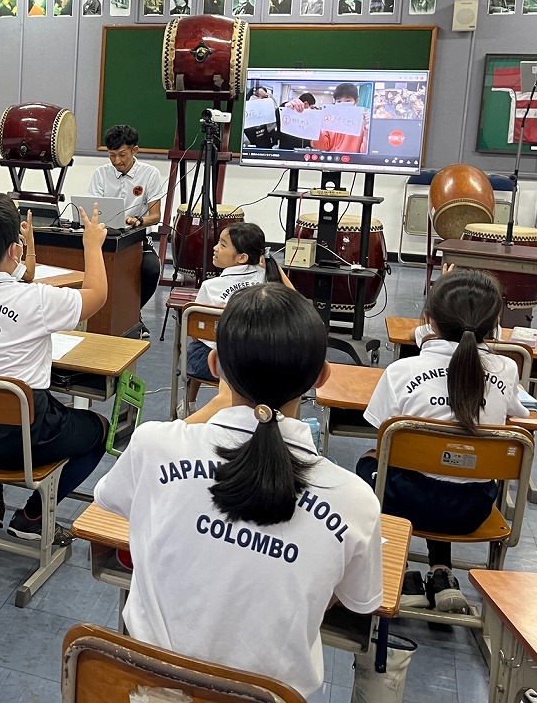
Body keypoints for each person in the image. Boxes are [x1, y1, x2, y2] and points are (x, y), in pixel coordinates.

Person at [93, 284, 384, 701]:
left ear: (214, 364)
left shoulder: (154, 445)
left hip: (143, 691)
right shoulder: (355, 500)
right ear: (321, 376)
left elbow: (111, 502)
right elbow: (358, 600)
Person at [0, 197, 109, 544]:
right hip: (24, 440)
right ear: (15, 249)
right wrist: (92, 245)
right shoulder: (38, 301)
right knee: (99, 430)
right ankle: (33, 516)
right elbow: (98, 294)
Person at [357, 270, 529, 613]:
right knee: (452, 465)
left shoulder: (401, 372)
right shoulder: (507, 369)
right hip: (472, 511)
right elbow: (520, 410)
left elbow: (380, 437)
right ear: (495, 322)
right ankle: (442, 574)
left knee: (374, 460)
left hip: (404, 505)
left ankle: (401, 570)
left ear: (429, 320)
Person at [180, 222, 286, 416]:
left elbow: (195, 334)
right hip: (262, 363)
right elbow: (293, 301)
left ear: (242, 257)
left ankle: (189, 405)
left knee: (199, 344)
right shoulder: (269, 279)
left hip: (219, 363)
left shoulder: (210, 286)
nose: (215, 248)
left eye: (222, 244)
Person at [89, 124, 165, 335]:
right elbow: (92, 207)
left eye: (122, 155)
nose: (117, 161)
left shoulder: (150, 174)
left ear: (134, 150)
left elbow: (156, 216)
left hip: (136, 237)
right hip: (105, 236)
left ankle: (132, 314)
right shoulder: (101, 174)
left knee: (151, 269)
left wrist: (139, 221)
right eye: (111, 155)